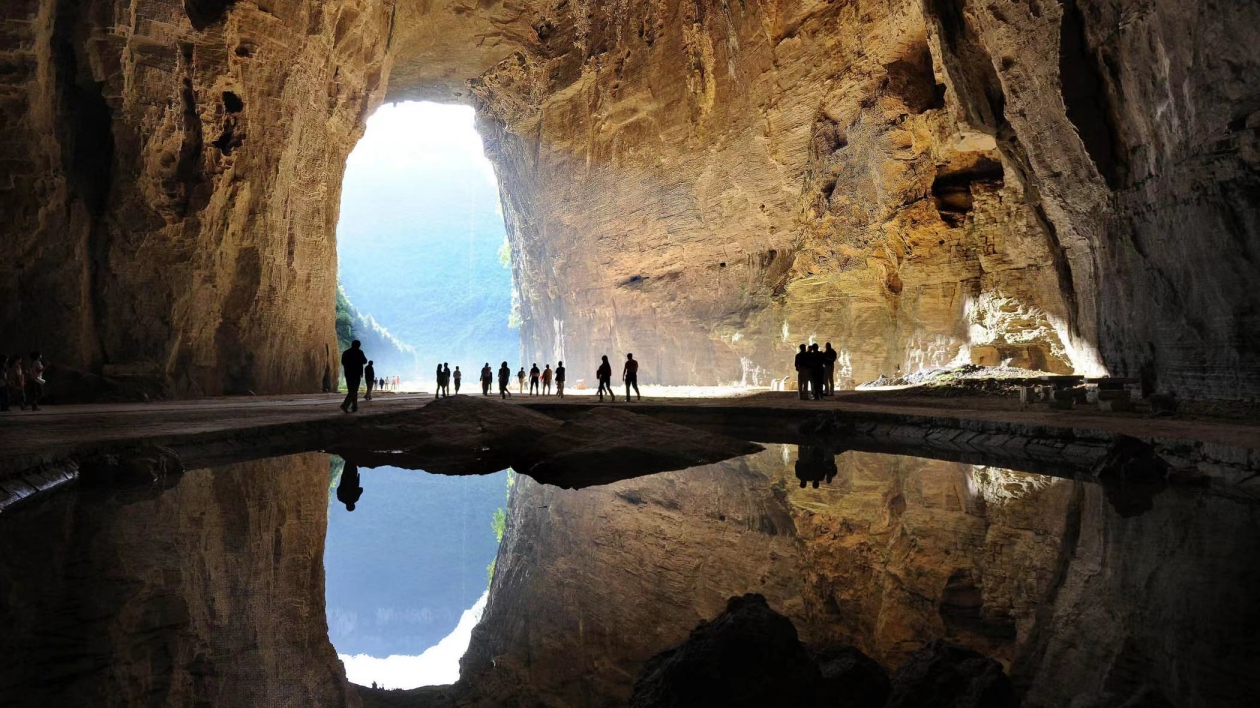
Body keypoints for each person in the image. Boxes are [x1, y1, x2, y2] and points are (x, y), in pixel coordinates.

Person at [340, 340, 367, 413]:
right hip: (356, 374)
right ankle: (345, 405)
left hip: (348, 374)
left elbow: (343, 362)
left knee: (352, 390)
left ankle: (354, 407)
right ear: (358, 345)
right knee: (354, 391)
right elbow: (365, 361)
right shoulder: (360, 352)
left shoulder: (346, 352)